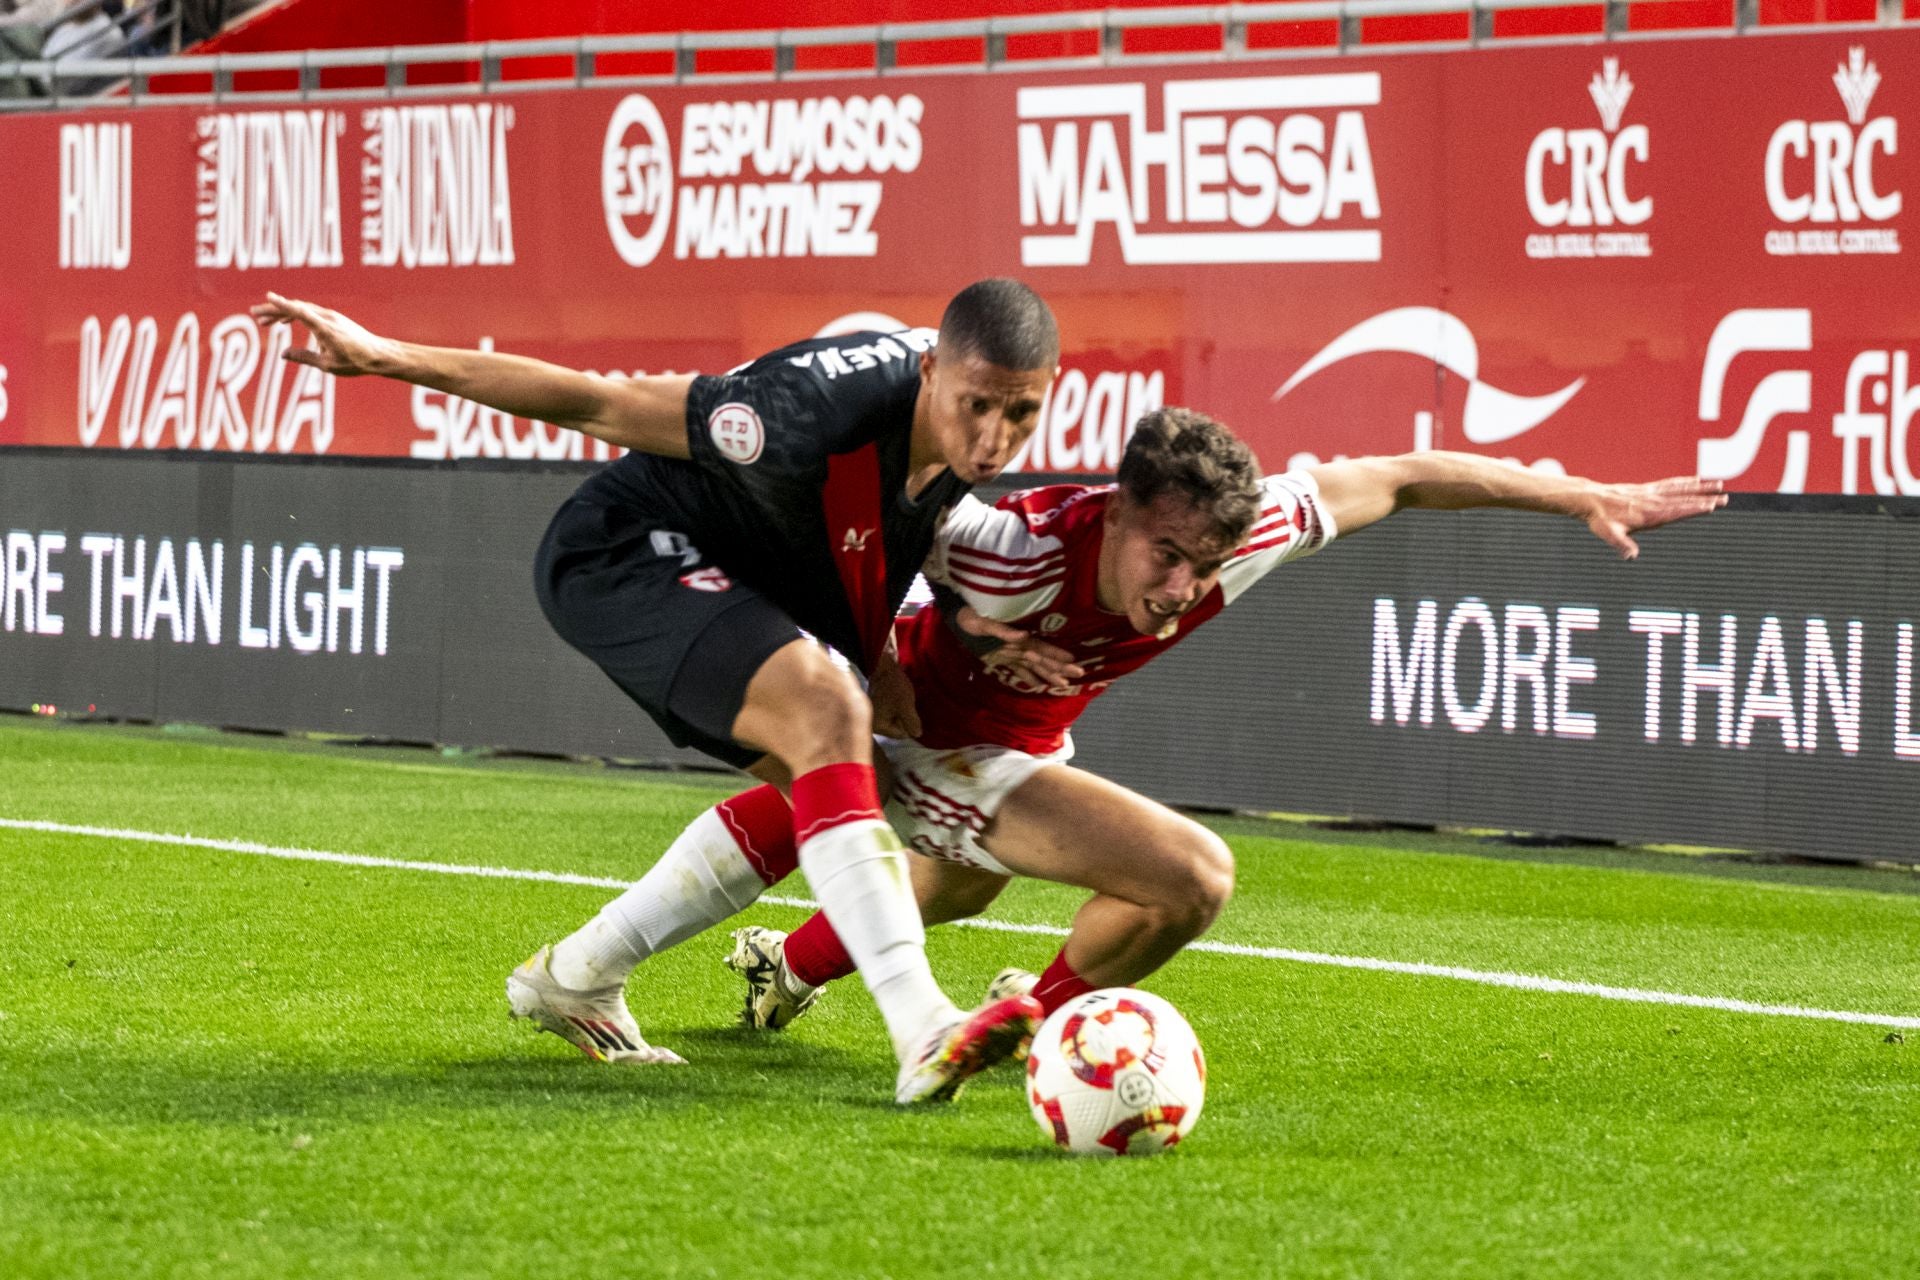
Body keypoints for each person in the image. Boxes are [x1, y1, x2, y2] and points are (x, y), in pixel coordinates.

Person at [249, 281, 1059, 1104]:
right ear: (928, 371)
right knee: (828, 713)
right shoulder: (801, 410)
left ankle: (580, 973)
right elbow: (600, 401)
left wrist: (884, 661)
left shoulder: (947, 442)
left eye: (1021, 413)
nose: (994, 438)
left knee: (863, 782)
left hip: (739, 579)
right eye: (977, 406)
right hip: (621, 552)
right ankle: (922, 1025)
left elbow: (863, 540)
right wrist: (385, 357)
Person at [710, 408, 1727, 1026]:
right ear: (1119, 514)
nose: (1182, 587)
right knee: (870, 812)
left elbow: (1403, 477)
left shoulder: (1246, 537)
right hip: (916, 710)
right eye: (1166, 557)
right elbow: (857, 535)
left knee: (968, 887)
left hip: (1021, 736)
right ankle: (598, 966)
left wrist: (1583, 494)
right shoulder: (1008, 542)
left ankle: (791, 967)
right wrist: (898, 657)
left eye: (1207, 563)